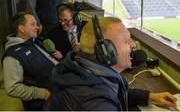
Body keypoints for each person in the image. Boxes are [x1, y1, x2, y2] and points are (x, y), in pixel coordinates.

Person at [46, 16, 177, 110]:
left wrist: (151, 97)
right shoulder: (95, 103)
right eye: (126, 41)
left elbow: (114, 93)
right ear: (107, 51)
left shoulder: (84, 69)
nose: (133, 45)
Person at [2, 12, 61, 110]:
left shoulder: (33, 41)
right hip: (46, 102)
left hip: (60, 85)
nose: (37, 27)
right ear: (21, 28)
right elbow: (12, 88)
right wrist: (42, 93)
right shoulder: (12, 57)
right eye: (33, 24)